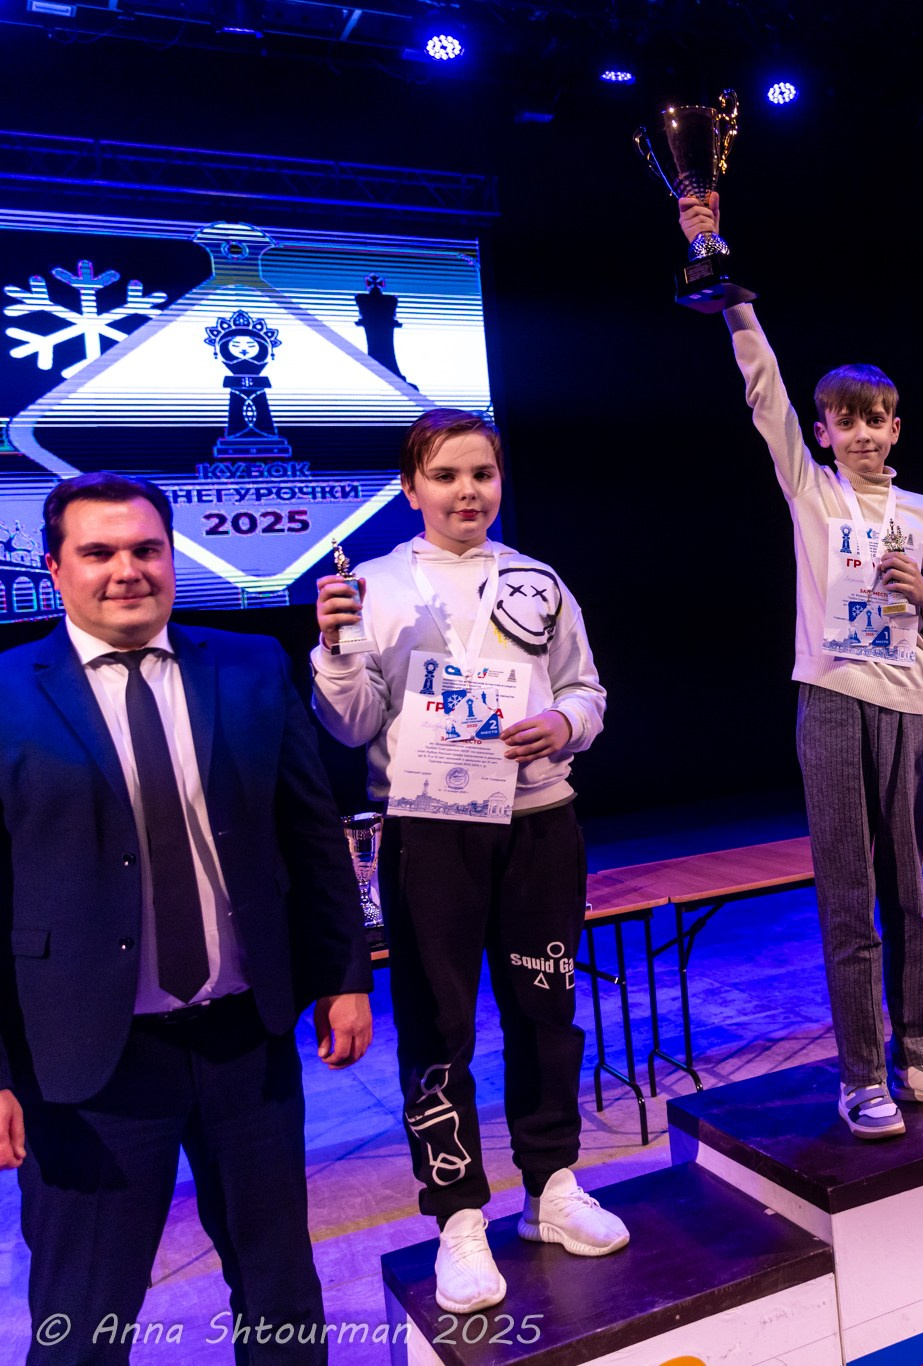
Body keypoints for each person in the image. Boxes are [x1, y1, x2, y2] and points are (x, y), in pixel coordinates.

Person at [0, 472, 373, 1364]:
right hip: (88, 1066)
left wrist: (345, 977)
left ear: (171, 558)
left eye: (145, 549)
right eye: (99, 552)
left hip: (249, 1045)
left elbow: (312, 837)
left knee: (282, 1293)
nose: (126, 570)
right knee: (84, 1319)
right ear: (56, 570)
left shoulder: (247, 667)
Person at [679, 191, 923, 1140]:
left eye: (878, 420)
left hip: (910, 711)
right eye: (844, 420)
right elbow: (763, 390)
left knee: (911, 892)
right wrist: (729, 289)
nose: (862, 433)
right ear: (823, 431)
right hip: (829, 701)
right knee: (849, 893)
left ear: (898, 428)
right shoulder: (811, 493)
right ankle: (862, 1075)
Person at [313, 409, 626, 1315]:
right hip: (429, 832)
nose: (467, 492)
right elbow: (352, 723)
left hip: (540, 823)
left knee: (546, 1013)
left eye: (482, 474)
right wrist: (336, 649)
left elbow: (586, 687)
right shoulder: (370, 586)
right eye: (447, 476)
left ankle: (552, 1187)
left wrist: (564, 724)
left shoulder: (538, 578)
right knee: (437, 1031)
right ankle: (456, 1216)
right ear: (411, 488)